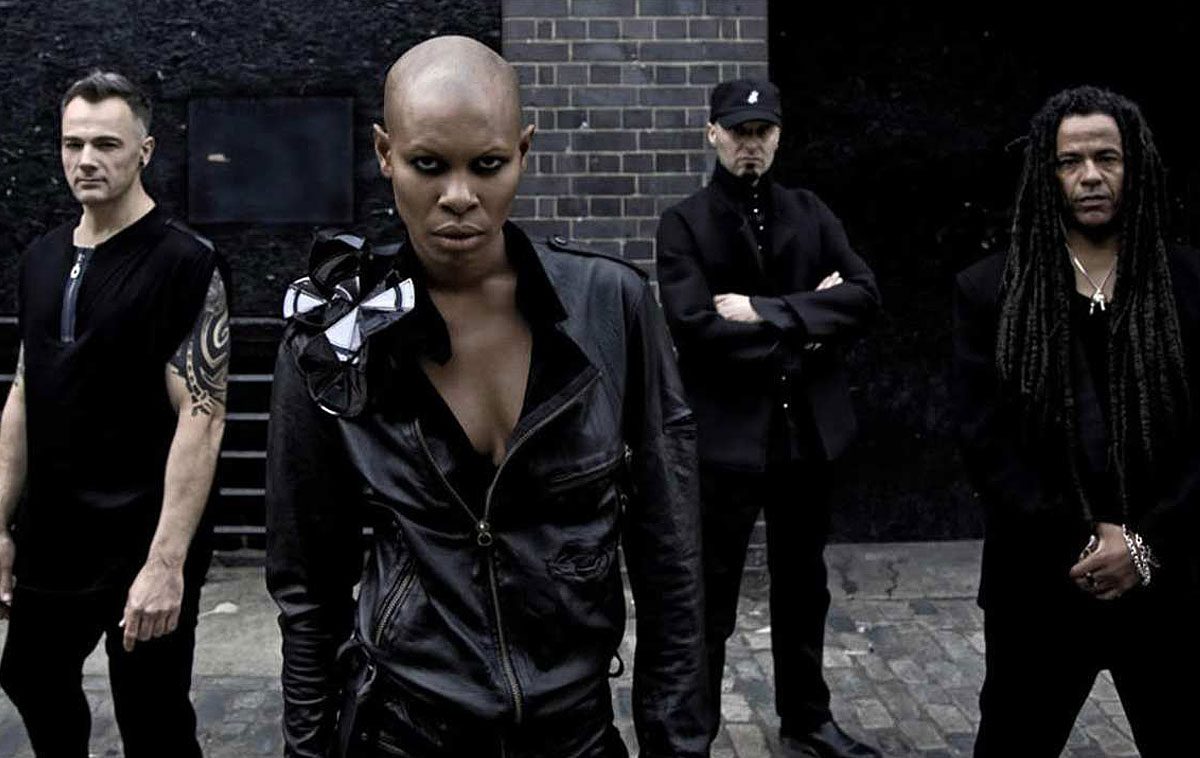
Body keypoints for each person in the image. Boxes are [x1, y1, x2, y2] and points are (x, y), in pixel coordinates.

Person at [265, 35, 707, 758]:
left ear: (524, 151)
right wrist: (308, 751)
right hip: (403, 733)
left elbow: (673, 562)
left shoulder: (612, 307)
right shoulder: (332, 336)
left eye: (488, 165)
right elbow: (308, 585)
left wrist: (678, 746)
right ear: (384, 153)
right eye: (428, 165)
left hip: (575, 733)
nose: (459, 197)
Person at [953, 85, 1200, 757]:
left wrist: (1144, 546)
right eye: (1070, 161)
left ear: (1134, 165)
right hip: (1040, 587)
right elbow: (984, 443)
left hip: (1168, 587)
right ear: (1048, 172)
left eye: (1106, 158)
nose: (1090, 175)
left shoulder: (1188, 285)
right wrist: (1090, 538)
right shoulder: (990, 291)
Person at [0, 70, 229, 757]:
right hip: (53, 535)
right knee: (29, 675)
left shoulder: (186, 262)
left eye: (106, 144)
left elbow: (202, 417)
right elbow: (22, 393)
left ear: (145, 151)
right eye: (73, 144)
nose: (86, 160)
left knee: (152, 718)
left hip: (141, 536)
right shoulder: (41, 259)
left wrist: (167, 562)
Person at [656, 79, 882, 758]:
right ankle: (691, 736)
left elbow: (864, 296)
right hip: (725, 443)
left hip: (804, 438)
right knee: (712, 595)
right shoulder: (684, 223)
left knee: (803, 586)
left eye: (762, 132)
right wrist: (811, 322)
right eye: (737, 132)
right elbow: (695, 327)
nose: (749, 145)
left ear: (779, 137)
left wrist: (763, 311)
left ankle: (806, 719)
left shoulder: (810, 212)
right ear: (713, 135)